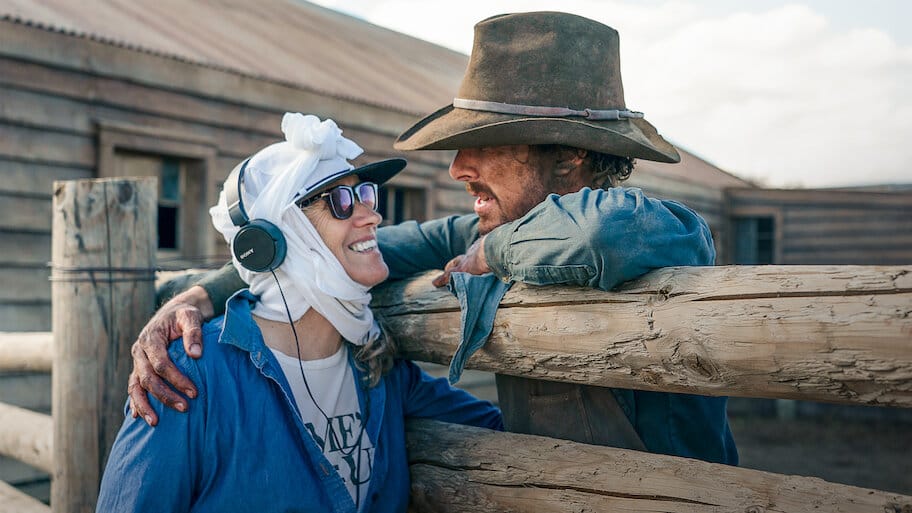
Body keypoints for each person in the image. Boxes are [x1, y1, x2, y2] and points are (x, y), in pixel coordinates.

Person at [128, 12, 737, 464]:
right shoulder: (487, 227)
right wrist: (201, 296)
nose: (457, 168)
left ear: (570, 155)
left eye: (488, 143)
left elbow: (598, 238)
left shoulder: (654, 226)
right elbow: (344, 250)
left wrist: (487, 255)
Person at [97, 113, 503, 512]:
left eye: (366, 196)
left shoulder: (381, 372)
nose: (372, 215)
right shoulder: (189, 375)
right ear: (276, 236)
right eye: (342, 202)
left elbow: (511, 437)